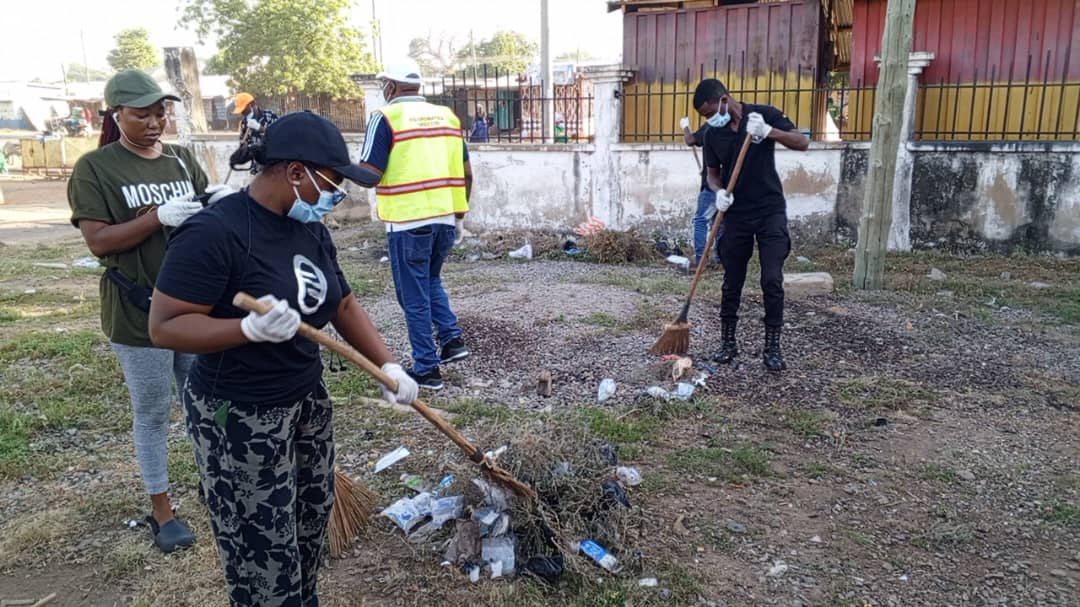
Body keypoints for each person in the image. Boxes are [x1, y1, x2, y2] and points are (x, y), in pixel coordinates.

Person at [148, 111, 419, 606]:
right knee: (261, 552)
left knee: (308, 526)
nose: (337, 197)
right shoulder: (216, 232)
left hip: (305, 400)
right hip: (238, 416)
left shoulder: (309, 227)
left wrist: (388, 366)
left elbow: (341, 302)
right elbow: (165, 325)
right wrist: (245, 328)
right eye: (333, 183)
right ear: (295, 172)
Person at [66, 69, 233, 552]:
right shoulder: (96, 169)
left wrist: (218, 207)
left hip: (192, 308)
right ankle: (162, 508)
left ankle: (215, 479)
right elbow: (98, 242)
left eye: (161, 112)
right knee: (154, 409)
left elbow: (206, 226)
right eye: (142, 114)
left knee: (206, 401)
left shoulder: (182, 161)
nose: (155, 122)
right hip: (138, 311)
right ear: (116, 114)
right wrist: (155, 217)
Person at [355, 58, 472, 391]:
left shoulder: (385, 118)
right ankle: (452, 341)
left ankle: (427, 368)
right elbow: (467, 173)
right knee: (430, 281)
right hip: (446, 219)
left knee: (413, 295)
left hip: (408, 222)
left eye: (383, 86)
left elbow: (368, 174)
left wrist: (333, 164)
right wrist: (459, 216)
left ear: (390, 86)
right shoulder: (448, 118)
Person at [693, 78, 809, 372]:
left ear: (723, 100)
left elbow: (803, 142)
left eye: (709, 113)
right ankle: (728, 343)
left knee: (771, 279)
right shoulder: (711, 135)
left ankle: (772, 347)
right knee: (732, 281)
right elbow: (712, 173)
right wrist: (718, 192)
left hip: (770, 210)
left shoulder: (763, 115)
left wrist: (770, 132)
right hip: (736, 215)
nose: (709, 120)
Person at [681, 116, 723, 268]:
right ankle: (720, 258)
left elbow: (690, 140)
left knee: (701, 220)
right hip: (728, 183)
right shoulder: (735, 128)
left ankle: (701, 260)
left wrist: (685, 127)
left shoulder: (711, 126)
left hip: (712, 184)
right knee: (719, 222)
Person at [230, 92, 278, 174]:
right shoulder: (244, 123)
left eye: (244, 110)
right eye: (241, 111)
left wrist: (260, 128)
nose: (243, 113)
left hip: (273, 165)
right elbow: (245, 143)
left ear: (252, 104)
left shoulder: (269, 116)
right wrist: (241, 151)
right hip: (257, 169)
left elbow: (278, 136)